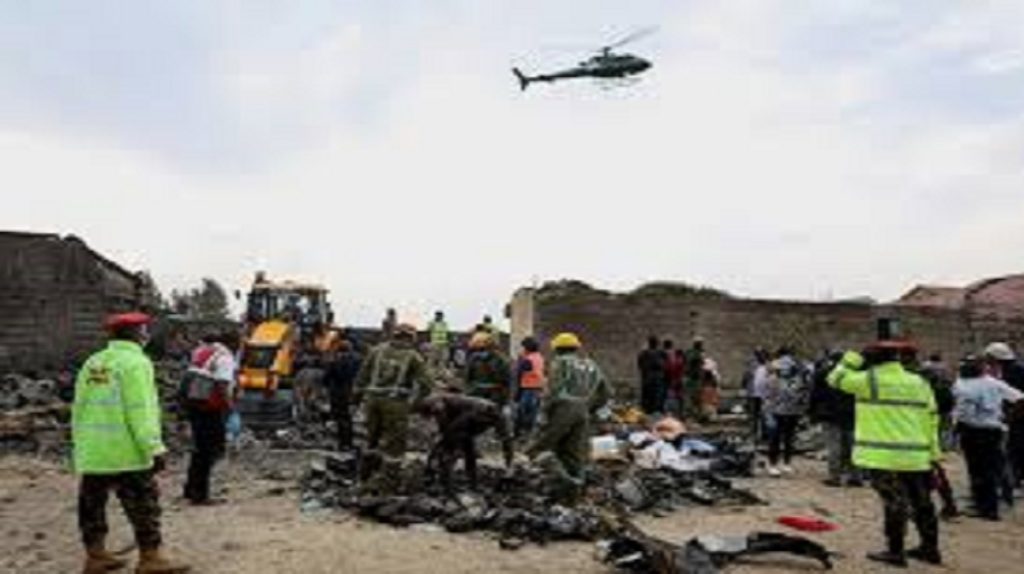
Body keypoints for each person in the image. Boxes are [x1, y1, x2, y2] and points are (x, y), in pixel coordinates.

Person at [73, 312, 189, 574]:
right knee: (144, 504)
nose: (146, 334)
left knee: (91, 505)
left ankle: (95, 556)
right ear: (136, 334)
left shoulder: (94, 362)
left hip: (94, 451)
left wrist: (81, 444)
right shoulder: (136, 363)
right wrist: (154, 448)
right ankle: (150, 558)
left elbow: (78, 407)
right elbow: (141, 410)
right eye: (144, 330)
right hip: (126, 452)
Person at [828, 340, 942, 567]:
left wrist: (853, 358)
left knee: (894, 503)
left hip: (883, 457)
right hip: (916, 455)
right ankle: (930, 548)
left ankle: (895, 551)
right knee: (922, 502)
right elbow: (931, 418)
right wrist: (933, 453)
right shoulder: (919, 382)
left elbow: (835, 378)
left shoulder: (868, 380)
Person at [527, 332, 610, 504]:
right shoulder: (591, 365)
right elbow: (606, 392)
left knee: (539, 448)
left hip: (561, 409)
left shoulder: (560, 363)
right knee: (573, 455)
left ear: (557, 349)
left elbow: (552, 391)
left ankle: (563, 484)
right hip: (583, 410)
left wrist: (543, 413)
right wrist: (589, 407)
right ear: (576, 348)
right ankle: (573, 496)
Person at [353, 323, 431, 494]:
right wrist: (415, 404)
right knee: (395, 445)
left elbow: (361, 378)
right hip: (396, 404)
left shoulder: (376, 351)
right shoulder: (413, 357)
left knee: (371, 440)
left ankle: (364, 479)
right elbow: (426, 385)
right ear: (411, 338)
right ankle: (388, 487)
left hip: (372, 402)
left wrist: (356, 401)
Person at [953, 354, 1024, 521]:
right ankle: (988, 503)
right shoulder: (992, 382)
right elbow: (1020, 398)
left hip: (973, 430)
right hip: (992, 430)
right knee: (991, 468)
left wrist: (1010, 417)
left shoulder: (964, 385)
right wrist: (1009, 417)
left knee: (979, 470)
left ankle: (987, 508)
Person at [182, 330, 239, 505]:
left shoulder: (204, 352)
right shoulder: (225, 358)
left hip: (194, 405)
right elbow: (222, 385)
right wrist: (230, 408)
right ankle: (200, 495)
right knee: (209, 451)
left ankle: (191, 489)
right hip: (209, 408)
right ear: (234, 344)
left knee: (199, 450)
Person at [418, 391, 514, 493]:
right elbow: (452, 429)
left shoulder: (499, 418)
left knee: (467, 451)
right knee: (452, 449)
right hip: (453, 413)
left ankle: (469, 483)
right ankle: (444, 481)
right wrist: (445, 439)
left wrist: (509, 466)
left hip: (464, 417)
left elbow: (507, 441)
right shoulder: (473, 411)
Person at [809, 350, 860, 487]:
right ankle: (855, 476)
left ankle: (835, 476)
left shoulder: (822, 373)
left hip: (829, 414)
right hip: (851, 414)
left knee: (834, 446)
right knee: (852, 445)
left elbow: (815, 395)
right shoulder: (855, 374)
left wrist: (812, 413)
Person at [983, 342, 1024, 490]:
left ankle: (1015, 478)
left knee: (1015, 448)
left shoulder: (1013, 371)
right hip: (1013, 415)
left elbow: (1017, 397)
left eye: (989, 358)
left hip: (1018, 417)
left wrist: (1010, 415)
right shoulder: (1008, 369)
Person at [764, 347, 809, 477]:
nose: (785, 371)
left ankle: (787, 463)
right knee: (775, 439)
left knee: (789, 438)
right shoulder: (772, 379)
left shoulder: (797, 380)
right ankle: (772, 463)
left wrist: (802, 404)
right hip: (775, 412)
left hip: (792, 411)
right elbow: (767, 396)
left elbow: (802, 394)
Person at [322, 339, 362, 450]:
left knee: (339, 419)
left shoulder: (334, 361)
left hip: (336, 393)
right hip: (350, 392)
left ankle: (342, 443)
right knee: (348, 418)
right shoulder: (357, 361)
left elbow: (326, 378)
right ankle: (348, 442)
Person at [463, 332, 512, 407]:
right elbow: (506, 378)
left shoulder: (472, 359)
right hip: (495, 394)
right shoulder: (500, 358)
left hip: (476, 394)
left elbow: (467, 377)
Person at [514, 336, 546, 436]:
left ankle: (522, 433)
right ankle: (529, 432)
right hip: (538, 387)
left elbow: (519, 373)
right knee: (533, 412)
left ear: (527, 347)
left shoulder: (527, 359)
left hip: (528, 388)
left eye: (523, 347)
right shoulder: (539, 357)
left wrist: (520, 360)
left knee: (524, 412)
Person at [636, 336, 666, 415]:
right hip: (656, 377)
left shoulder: (644, 353)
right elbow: (664, 363)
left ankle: (647, 409)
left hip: (648, 377)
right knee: (656, 394)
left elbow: (640, 364)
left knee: (647, 394)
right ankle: (655, 410)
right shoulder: (660, 353)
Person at [683, 337, 707, 420]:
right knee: (693, 397)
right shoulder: (694, 353)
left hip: (695, 378)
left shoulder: (694, 352)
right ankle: (693, 415)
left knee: (696, 397)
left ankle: (696, 414)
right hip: (693, 378)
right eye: (699, 343)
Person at [663, 344, 686, 418]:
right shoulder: (681, 361)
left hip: (674, 381)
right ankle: (679, 413)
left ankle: (673, 413)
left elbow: (668, 370)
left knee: (673, 397)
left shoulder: (673, 361)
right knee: (679, 397)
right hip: (678, 381)